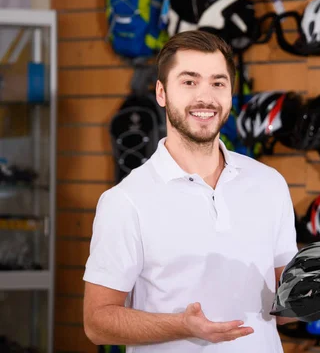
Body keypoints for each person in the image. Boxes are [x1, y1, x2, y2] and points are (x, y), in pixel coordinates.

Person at [82, 30, 299, 352]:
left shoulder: (269, 184)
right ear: (161, 93)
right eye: (189, 82)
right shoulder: (126, 200)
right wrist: (181, 326)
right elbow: (97, 323)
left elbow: (287, 311)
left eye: (218, 83)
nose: (205, 97)